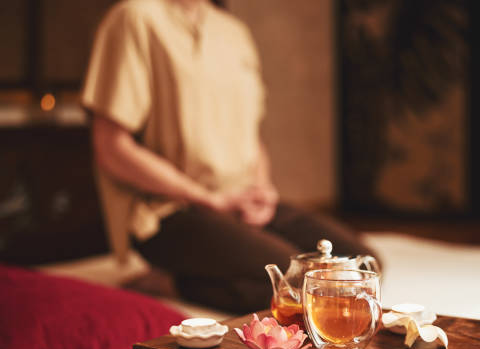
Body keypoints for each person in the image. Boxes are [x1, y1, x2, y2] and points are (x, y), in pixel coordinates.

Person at [81, 0, 379, 313]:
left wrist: (262, 191)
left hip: (240, 202)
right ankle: (175, 283)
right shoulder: (134, 17)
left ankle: (189, 274)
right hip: (170, 211)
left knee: (362, 268)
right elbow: (111, 147)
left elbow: (251, 137)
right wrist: (210, 199)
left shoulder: (233, 31)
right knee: (296, 285)